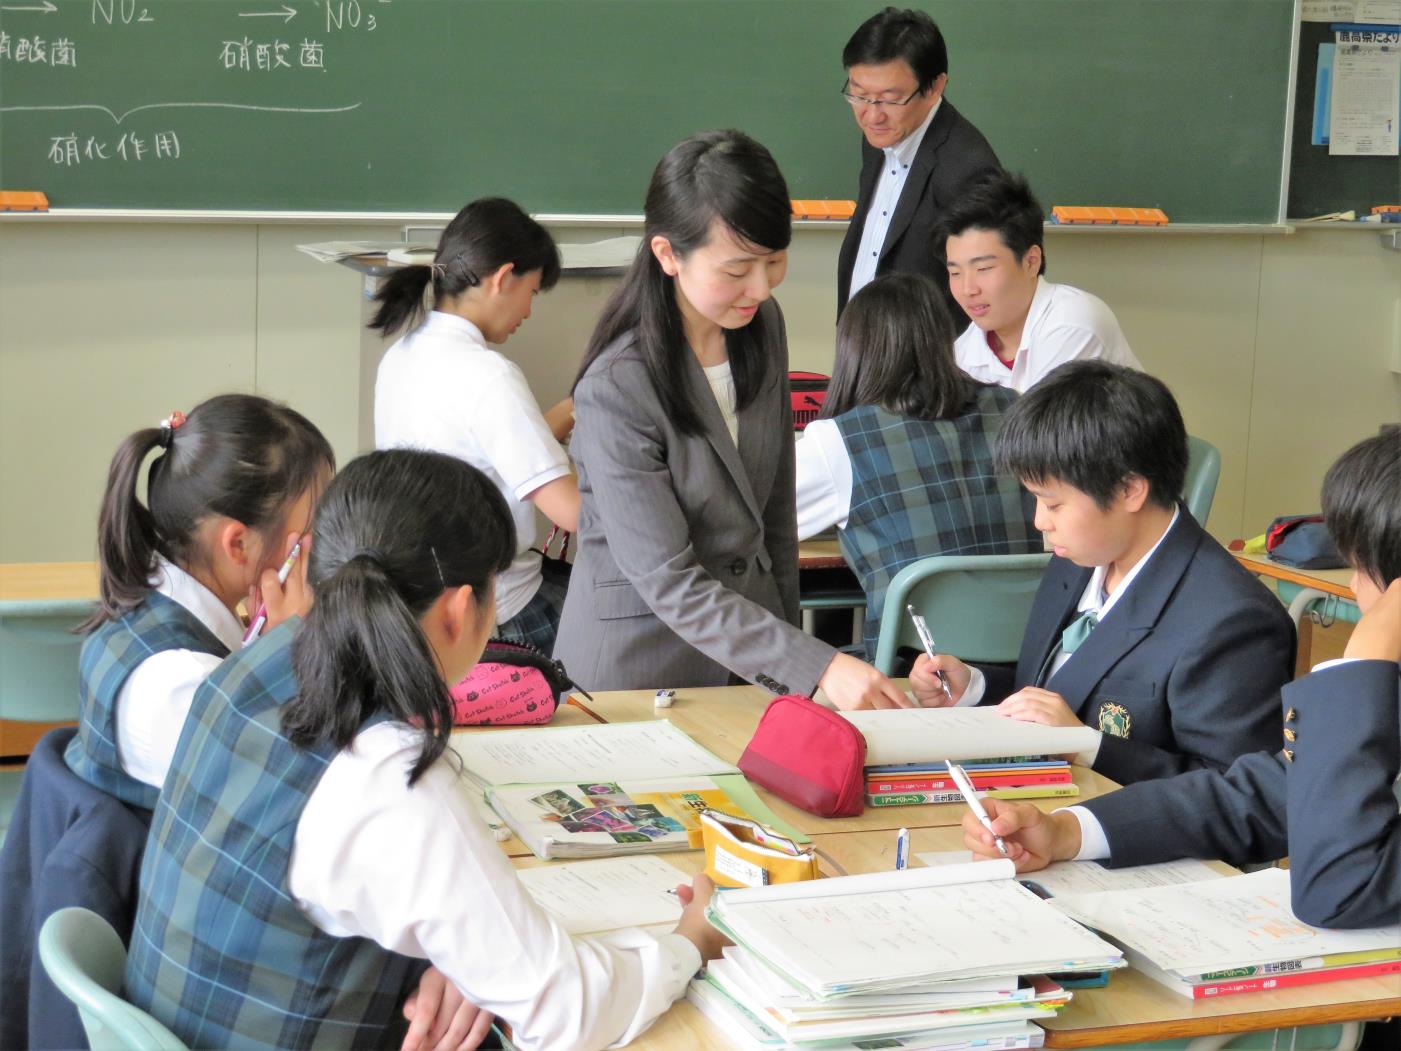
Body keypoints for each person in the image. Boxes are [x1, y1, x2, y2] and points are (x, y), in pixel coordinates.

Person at [123, 449, 728, 1051]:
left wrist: (462, 951)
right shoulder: (393, 777)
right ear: (460, 611)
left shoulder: (249, 666)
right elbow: (566, 1013)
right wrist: (689, 942)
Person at [959, 431, 1400, 932]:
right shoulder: (1081, 564)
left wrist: (1363, 665)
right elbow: (1257, 793)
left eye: (1363, 567)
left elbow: (1336, 892)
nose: (1358, 587)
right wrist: (1066, 833)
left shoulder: (1233, 615)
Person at [554, 130, 909, 710]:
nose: (761, 287)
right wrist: (814, 664)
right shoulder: (617, 386)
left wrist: (794, 673)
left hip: (751, 675)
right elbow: (668, 579)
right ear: (668, 255)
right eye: (738, 268)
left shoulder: (761, 327)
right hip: (638, 674)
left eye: (774, 261)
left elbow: (774, 521)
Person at [910, 361, 1295, 786]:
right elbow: (1066, 691)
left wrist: (1088, 746)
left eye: (1054, 504)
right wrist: (976, 686)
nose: (1040, 521)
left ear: (1130, 489)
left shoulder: (1232, 621)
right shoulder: (1080, 558)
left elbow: (1238, 795)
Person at [66, 393, 333, 809]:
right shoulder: (183, 682)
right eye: (311, 526)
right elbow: (298, 795)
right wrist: (287, 660)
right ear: (238, 543)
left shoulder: (146, 597)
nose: (320, 543)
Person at [795, 272, 1039, 659]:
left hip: (912, 674)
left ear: (852, 351)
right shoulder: (1019, 408)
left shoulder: (839, 440)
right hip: (1030, 663)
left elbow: (756, 520)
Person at [373, 197, 579, 653]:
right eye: (533, 291)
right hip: (501, 613)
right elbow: (575, 513)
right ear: (504, 279)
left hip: (425, 608)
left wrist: (576, 405)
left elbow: (490, 449)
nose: (528, 310)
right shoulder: (489, 374)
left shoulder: (402, 355)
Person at [836, 6, 1000, 314]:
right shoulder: (880, 133)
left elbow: (979, 299)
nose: (872, 115)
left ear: (935, 87)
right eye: (858, 95)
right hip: (862, 343)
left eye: (890, 99)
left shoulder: (968, 171)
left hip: (923, 355)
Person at [940, 170, 1140, 392]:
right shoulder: (963, 354)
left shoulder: (1072, 322)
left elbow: (1043, 424)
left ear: (1031, 261)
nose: (968, 289)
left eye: (983, 268)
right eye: (955, 273)